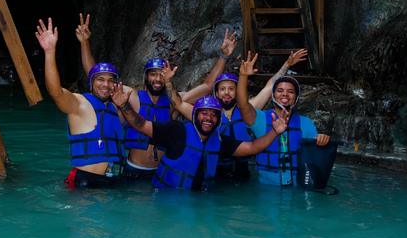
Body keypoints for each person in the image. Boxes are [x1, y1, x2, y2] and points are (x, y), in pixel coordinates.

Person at [75, 13, 238, 179]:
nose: (158, 79)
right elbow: (97, 78)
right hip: (133, 171)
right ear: (146, 78)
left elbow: (207, 87)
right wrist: (84, 42)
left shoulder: (174, 102)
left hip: (159, 173)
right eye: (153, 74)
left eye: (162, 74)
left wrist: (224, 56)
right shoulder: (132, 97)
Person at [110, 81, 290, 191]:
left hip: (198, 202)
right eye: (203, 113)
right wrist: (124, 106)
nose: (208, 118)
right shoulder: (176, 131)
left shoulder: (220, 142)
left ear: (218, 119)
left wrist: (275, 131)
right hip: (165, 198)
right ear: (194, 115)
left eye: (213, 115)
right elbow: (140, 124)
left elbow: (252, 148)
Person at [35, 18, 125, 188]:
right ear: (92, 82)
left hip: (111, 181)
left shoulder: (116, 110)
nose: (105, 84)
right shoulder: (80, 104)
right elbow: (56, 92)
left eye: (110, 80)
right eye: (100, 79)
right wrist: (49, 52)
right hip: (84, 182)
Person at [236, 52, 330, 186]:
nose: (285, 94)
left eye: (290, 91)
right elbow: (242, 105)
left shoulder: (306, 123)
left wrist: (322, 140)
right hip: (265, 191)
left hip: (297, 192)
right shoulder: (260, 119)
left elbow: (315, 158)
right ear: (273, 95)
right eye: (280, 90)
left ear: (296, 97)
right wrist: (243, 76)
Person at [213, 49, 308, 181]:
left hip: (243, 168)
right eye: (222, 89)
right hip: (217, 169)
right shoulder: (208, 116)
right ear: (216, 93)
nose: (227, 93)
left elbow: (270, 87)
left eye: (231, 89)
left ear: (237, 91)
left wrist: (287, 64)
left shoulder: (249, 109)